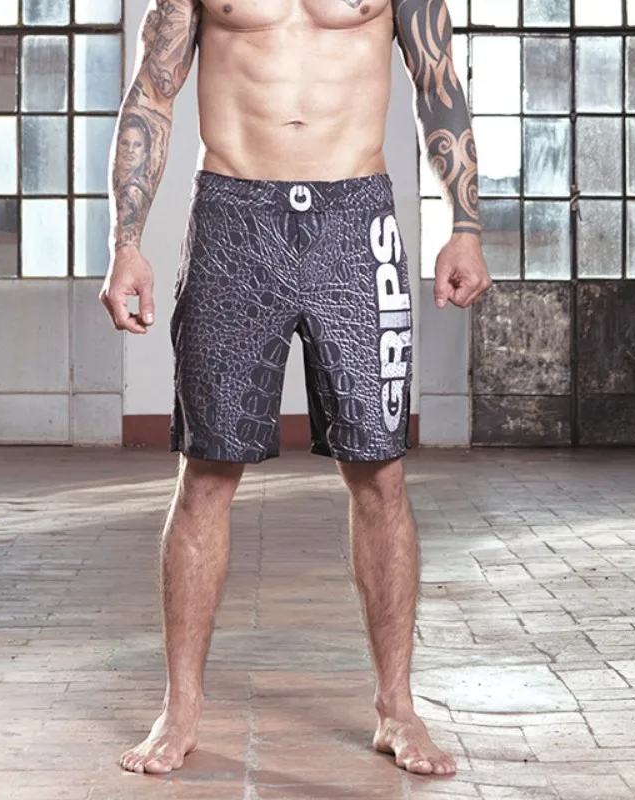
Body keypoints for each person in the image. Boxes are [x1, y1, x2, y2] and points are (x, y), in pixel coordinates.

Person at [99, 0, 491, 778]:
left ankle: (397, 707)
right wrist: (126, 243)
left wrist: (467, 226)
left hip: (356, 220)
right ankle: (180, 708)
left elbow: (438, 83)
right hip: (232, 217)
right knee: (205, 472)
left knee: (380, 472)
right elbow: (151, 91)